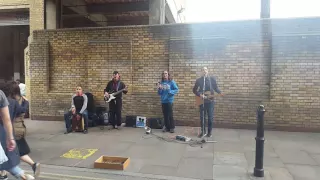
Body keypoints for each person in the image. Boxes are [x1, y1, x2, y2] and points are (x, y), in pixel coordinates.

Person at [0, 83, 34, 180]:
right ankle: (22, 175)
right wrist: (10, 138)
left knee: (4, 163)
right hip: (6, 131)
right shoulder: (5, 98)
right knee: (6, 161)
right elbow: (7, 119)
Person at [192, 67, 224, 138]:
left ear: (208, 71)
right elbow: (194, 90)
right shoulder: (199, 80)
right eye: (203, 70)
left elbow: (215, 88)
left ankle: (209, 132)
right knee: (202, 117)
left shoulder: (212, 79)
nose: (204, 71)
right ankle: (203, 131)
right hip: (201, 100)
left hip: (210, 101)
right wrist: (200, 94)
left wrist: (220, 92)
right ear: (201, 72)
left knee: (210, 117)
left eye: (206, 69)